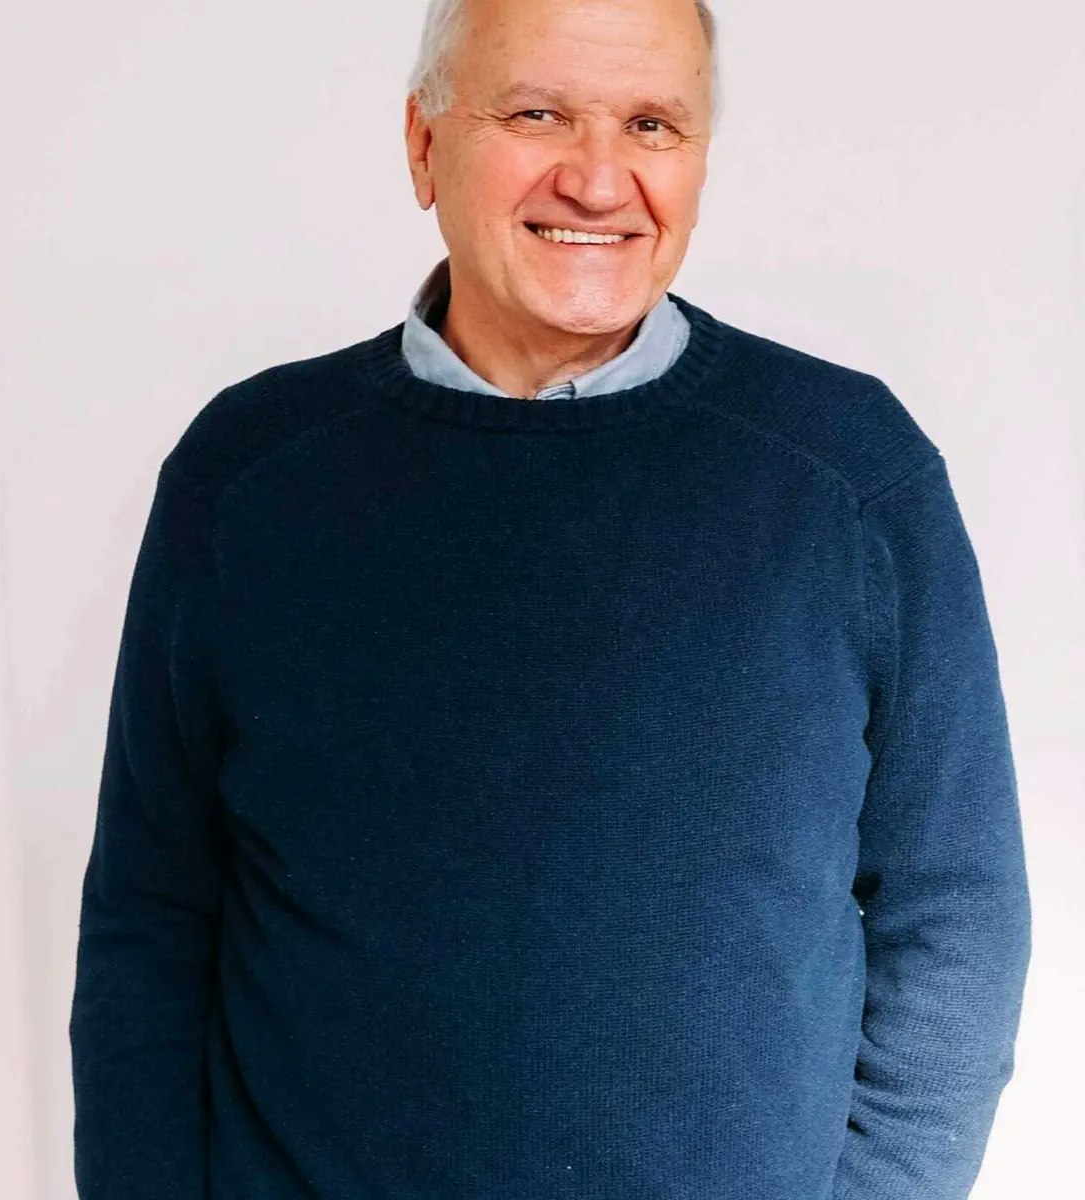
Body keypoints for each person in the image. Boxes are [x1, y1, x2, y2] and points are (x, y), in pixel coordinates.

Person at [68, 1, 1033, 1197]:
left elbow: (956, 914)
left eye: (651, 124)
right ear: (423, 146)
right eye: (538, 113)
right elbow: (150, 920)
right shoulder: (248, 477)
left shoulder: (850, 478)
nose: (598, 178)